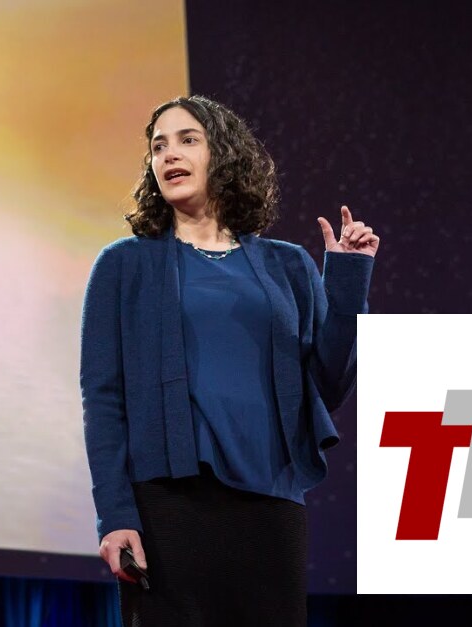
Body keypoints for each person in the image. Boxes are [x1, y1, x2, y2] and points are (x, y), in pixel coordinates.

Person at [79, 95, 378, 626]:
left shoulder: (288, 265)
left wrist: (348, 279)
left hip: (271, 503)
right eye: (158, 146)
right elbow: (103, 400)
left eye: (187, 140)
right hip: (168, 505)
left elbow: (329, 385)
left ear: (225, 154)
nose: (169, 154)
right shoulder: (124, 265)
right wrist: (116, 515)